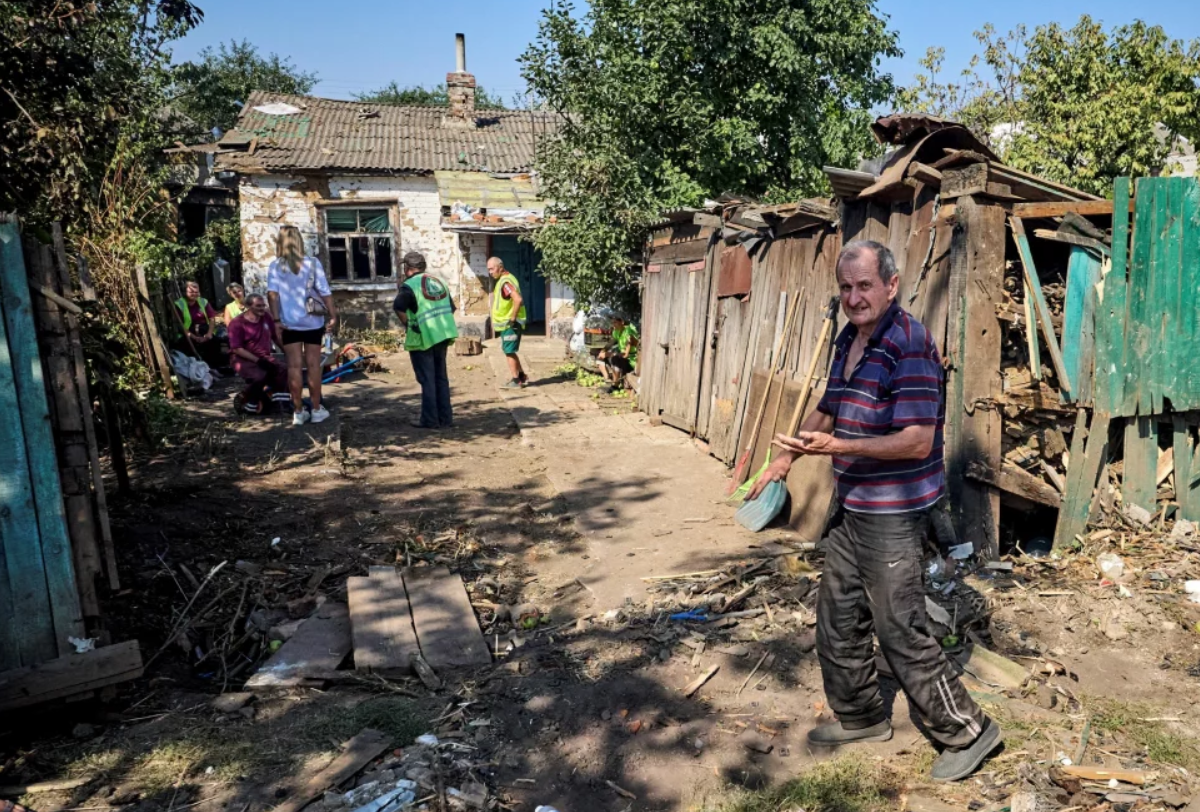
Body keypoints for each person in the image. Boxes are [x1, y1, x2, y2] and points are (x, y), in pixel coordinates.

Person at [747, 240, 1001, 782]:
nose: (854, 297)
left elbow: (915, 440)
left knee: (900, 626)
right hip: (853, 503)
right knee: (837, 618)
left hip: (894, 511)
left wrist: (839, 448)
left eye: (864, 285)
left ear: (891, 285)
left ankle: (969, 731)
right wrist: (784, 460)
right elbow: (828, 405)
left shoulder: (908, 343)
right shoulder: (850, 337)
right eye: (845, 287)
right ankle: (861, 715)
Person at [267, 225, 337, 427]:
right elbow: (325, 291)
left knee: (294, 367)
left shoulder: (275, 266)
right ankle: (316, 409)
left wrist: (277, 320)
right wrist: (332, 314)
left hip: (289, 324)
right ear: (299, 241)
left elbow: (272, 295)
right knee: (314, 365)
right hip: (312, 322)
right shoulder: (312, 263)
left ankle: (298, 411)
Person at [393, 251, 458, 429]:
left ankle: (430, 420)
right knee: (441, 378)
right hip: (442, 334)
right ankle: (445, 419)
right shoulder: (439, 282)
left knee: (427, 379)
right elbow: (451, 308)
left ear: (407, 269)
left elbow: (398, 307)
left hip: (423, 337)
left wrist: (410, 324)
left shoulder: (410, 286)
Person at [228, 294, 287, 414]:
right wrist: (258, 361)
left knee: (282, 369)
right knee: (260, 376)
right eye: (258, 306)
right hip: (242, 358)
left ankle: (280, 403)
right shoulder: (237, 323)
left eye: (263, 305)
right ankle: (251, 403)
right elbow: (237, 349)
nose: (262, 308)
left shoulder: (266, 317)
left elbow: (275, 337)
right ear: (248, 306)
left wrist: (288, 352)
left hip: (263, 356)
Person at [487, 257, 528, 389]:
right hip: (508, 324)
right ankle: (521, 376)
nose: (490, 272)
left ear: (500, 267)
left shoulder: (505, 282)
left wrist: (512, 319)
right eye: (488, 269)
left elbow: (517, 299)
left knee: (509, 351)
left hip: (510, 324)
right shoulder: (505, 279)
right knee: (510, 350)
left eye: (492, 269)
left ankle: (516, 380)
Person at [173, 280, 224, 369]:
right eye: (191, 292)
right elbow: (180, 325)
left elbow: (212, 319)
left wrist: (208, 334)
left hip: (205, 329)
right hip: (188, 332)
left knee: (214, 342)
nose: (194, 294)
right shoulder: (179, 304)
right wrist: (194, 337)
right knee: (184, 346)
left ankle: (214, 368)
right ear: (185, 292)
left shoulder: (203, 301)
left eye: (196, 292)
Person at [598, 313, 638, 392]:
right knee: (600, 358)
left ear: (622, 322)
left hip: (631, 360)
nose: (613, 325)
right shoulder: (616, 331)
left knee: (614, 359)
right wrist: (603, 351)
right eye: (612, 323)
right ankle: (609, 380)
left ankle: (615, 385)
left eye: (615, 322)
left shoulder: (629, 333)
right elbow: (610, 343)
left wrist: (608, 354)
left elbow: (625, 355)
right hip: (622, 358)